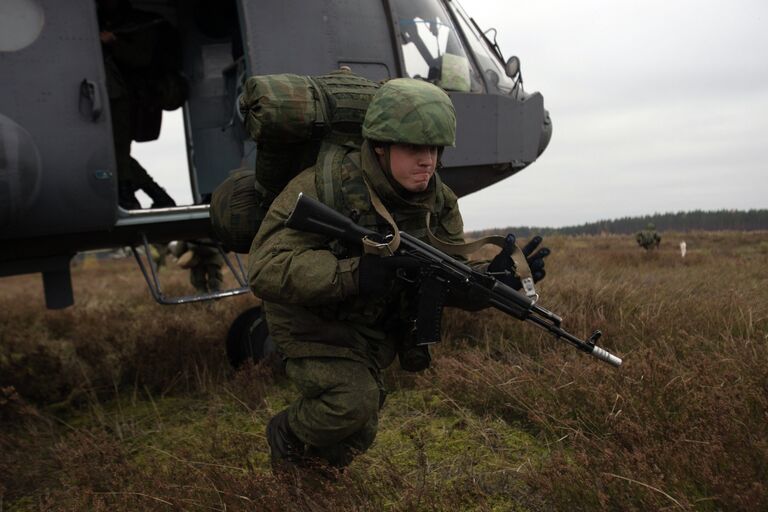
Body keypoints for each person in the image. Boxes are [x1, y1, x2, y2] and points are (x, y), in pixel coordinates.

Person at [248, 79, 548, 476]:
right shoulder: (325, 186)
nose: (427, 160)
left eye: (434, 149)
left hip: (366, 324)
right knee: (351, 401)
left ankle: (307, 482)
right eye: (413, 148)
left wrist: (490, 282)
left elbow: (443, 275)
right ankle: (286, 433)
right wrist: (354, 273)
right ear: (379, 146)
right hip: (309, 320)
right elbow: (265, 267)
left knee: (360, 426)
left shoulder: (438, 202)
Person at [97, 0, 185, 209]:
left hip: (128, 98)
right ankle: (155, 196)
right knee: (117, 153)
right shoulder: (108, 21)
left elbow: (141, 58)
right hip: (114, 97)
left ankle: (130, 197)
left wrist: (112, 42)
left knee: (117, 151)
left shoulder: (141, 24)